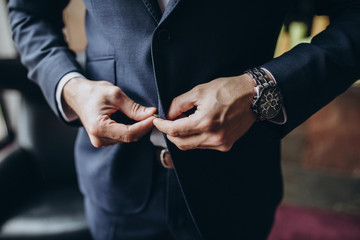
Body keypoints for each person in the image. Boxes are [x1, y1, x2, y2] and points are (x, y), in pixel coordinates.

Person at [8, 0, 360, 239]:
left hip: (235, 182)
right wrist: (71, 88)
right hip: (117, 183)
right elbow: (28, 13)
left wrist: (261, 88)